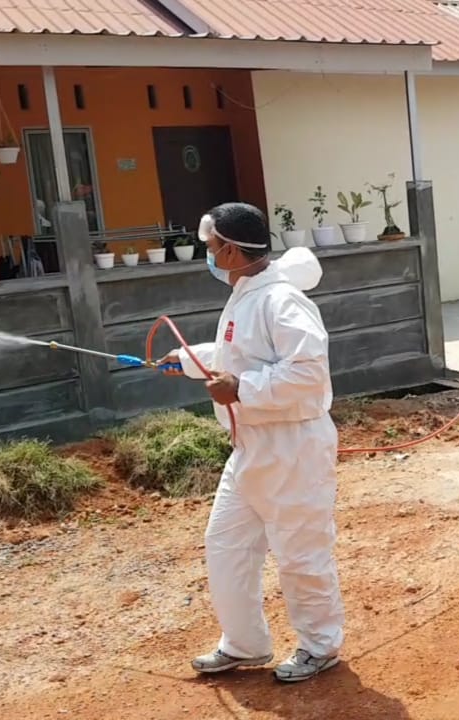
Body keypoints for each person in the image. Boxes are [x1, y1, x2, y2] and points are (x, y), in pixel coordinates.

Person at [158, 202, 345, 683]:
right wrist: (189, 359)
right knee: (225, 544)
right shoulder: (246, 293)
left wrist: (241, 389)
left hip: (292, 448)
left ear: (235, 250)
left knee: (301, 553)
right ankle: (244, 644)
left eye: (214, 247)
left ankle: (320, 646)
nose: (210, 255)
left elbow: (306, 373)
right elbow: (236, 356)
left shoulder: (282, 301)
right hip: (251, 448)